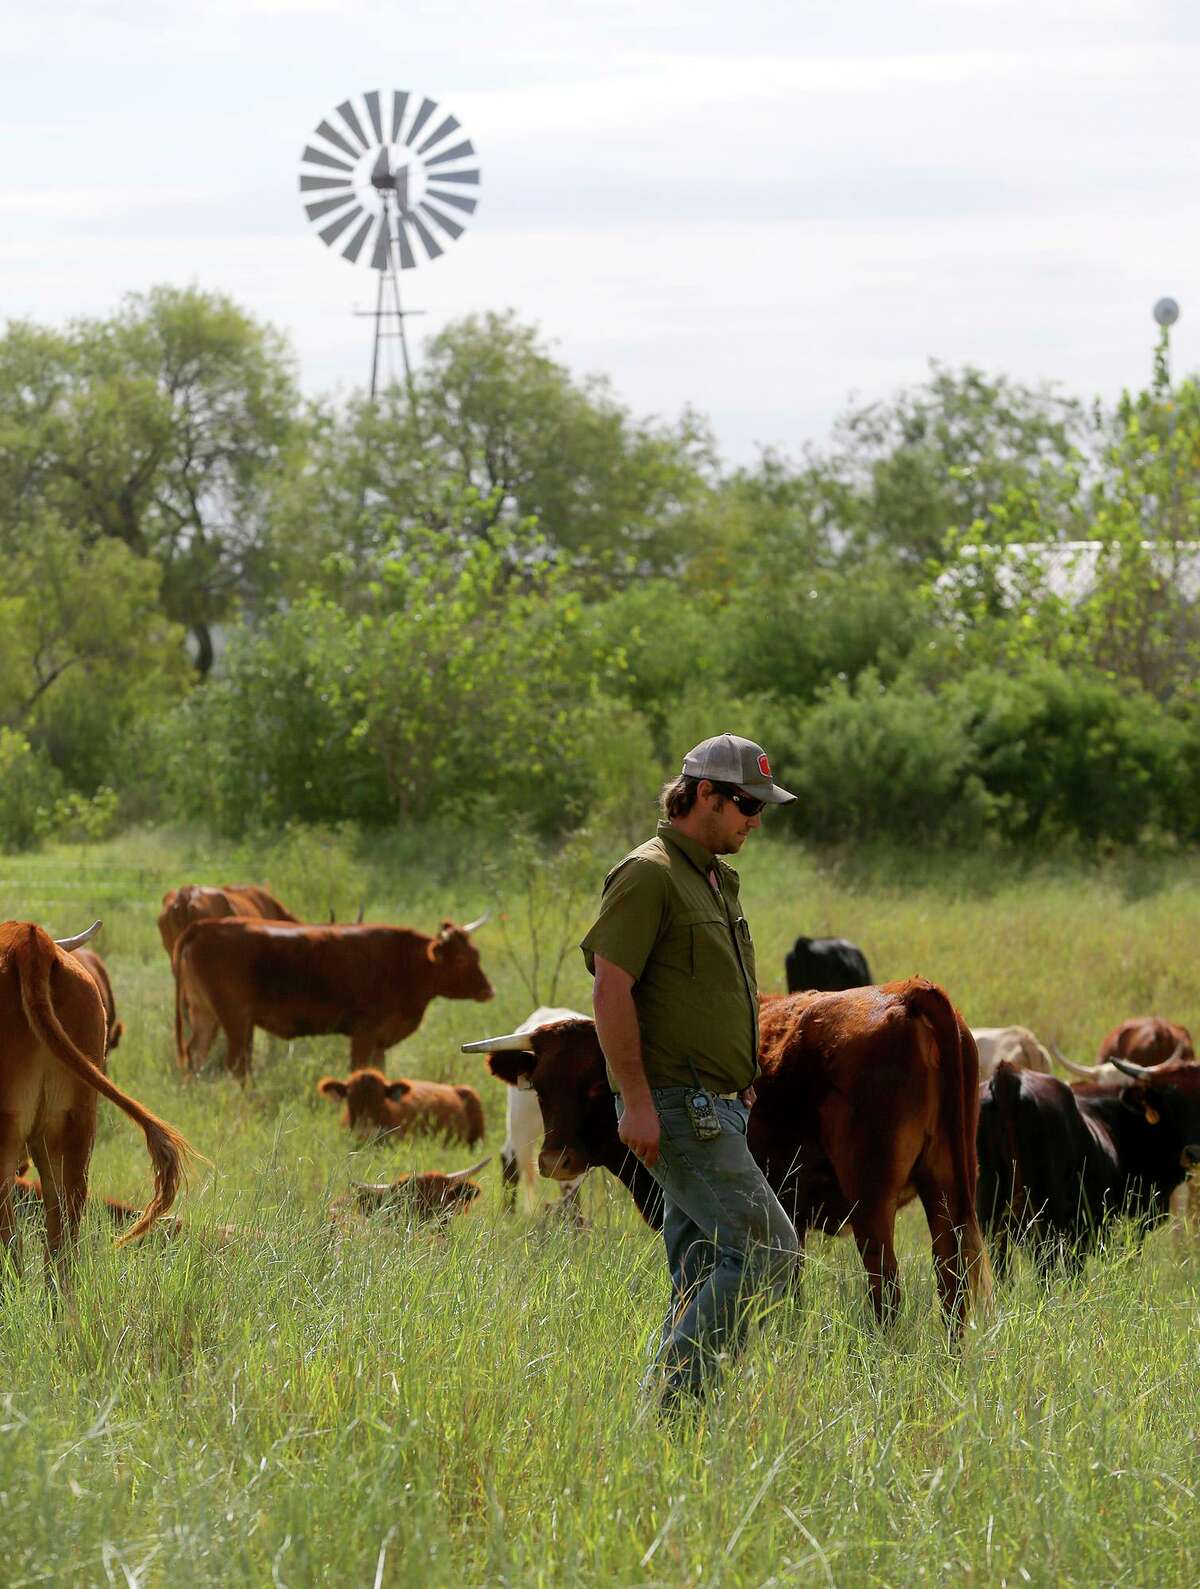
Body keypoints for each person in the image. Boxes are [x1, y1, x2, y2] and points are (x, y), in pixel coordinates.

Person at [580, 733, 800, 1414]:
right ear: (703, 794)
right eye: (745, 803)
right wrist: (637, 1102)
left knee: (702, 1271)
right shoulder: (648, 873)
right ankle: (668, 1409)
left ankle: (677, 1429)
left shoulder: (709, 876)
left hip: (718, 1104)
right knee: (770, 1253)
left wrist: (741, 1073)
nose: (755, 819)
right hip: (680, 1109)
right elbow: (611, 988)